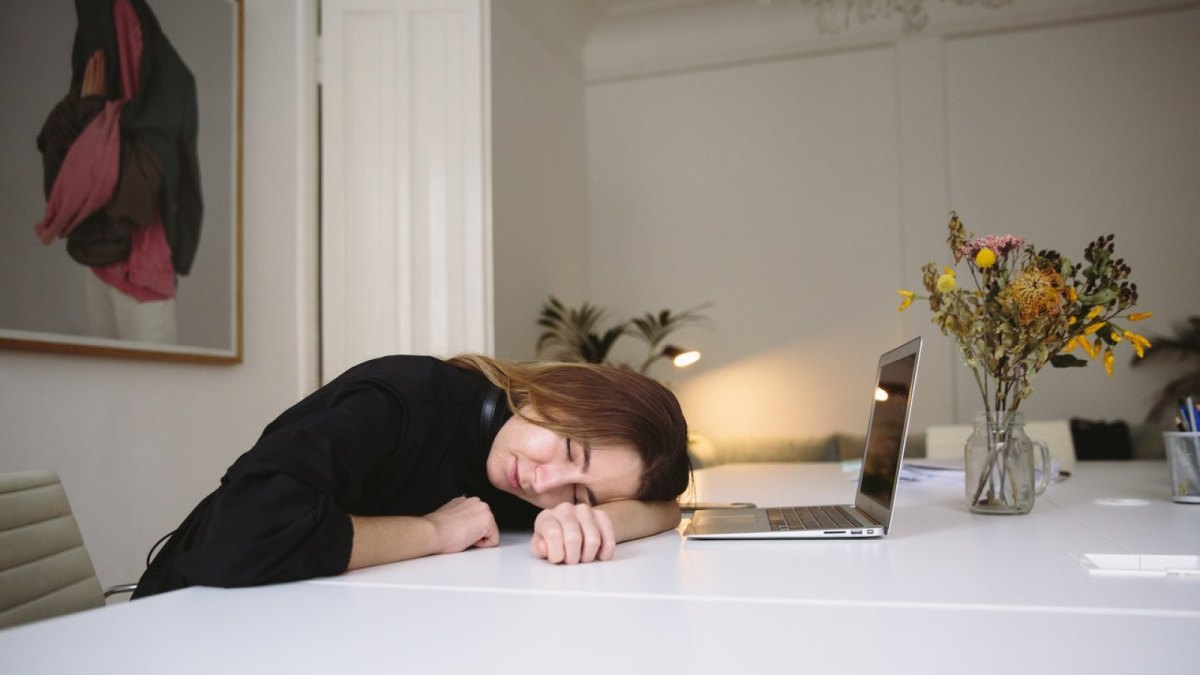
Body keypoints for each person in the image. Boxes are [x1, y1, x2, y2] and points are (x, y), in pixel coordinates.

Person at [132, 354, 691, 598]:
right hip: (193, 613)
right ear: (561, 390)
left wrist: (591, 519)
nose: (545, 484)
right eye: (570, 447)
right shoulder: (403, 399)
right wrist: (432, 533)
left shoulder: (519, 464)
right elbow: (249, 532)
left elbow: (667, 508)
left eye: (576, 491)